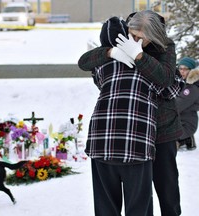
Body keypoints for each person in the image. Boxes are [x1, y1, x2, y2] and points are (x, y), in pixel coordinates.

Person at [78, 10, 183, 216]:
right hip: (132, 131)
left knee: (167, 190)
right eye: (131, 34)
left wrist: (139, 56)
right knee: (136, 194)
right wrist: (110, 52)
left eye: (140, 38)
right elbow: (86, 62)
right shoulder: (122, 42)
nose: (133, 40)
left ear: (152, 36)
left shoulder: (165, 46)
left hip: (161, 129)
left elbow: (167, 80)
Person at [176, 57, 198, 150]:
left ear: (191, 71)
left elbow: (177, 106)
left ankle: (184, 140)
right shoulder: (183, 83)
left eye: (185, 69)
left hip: (185, 125)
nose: (182, 71)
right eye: (180, 68)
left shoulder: (191, 88)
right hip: (180, 123)